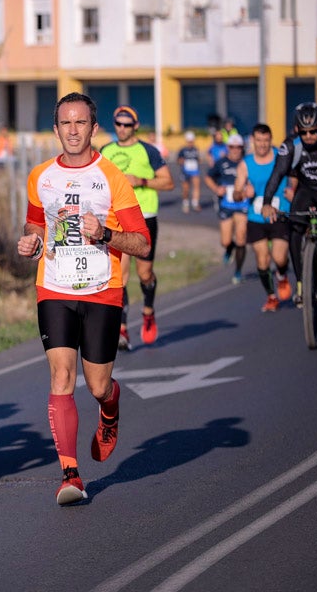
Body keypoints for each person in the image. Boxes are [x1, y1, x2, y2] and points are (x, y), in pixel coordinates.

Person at [16, 93, 149, 506]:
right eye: (65, 124)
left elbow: (142, 244)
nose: (73, 131)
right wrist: (32, 241)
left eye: (81, 123)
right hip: (53, 287)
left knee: (96, 385)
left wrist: (105, 234)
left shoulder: (112, 177)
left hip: (102, 291)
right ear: (55, 130)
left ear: (94, 129)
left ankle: (110, 409)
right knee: (60, 377)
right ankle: (70, 474)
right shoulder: (40, 175)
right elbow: (35, 222)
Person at [100, 105, 174, 349]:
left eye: (127, 124)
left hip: (145, 216)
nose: (122, 128)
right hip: (116, 219)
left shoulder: (148, 151)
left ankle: (149, 311)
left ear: (135, 126)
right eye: (118, 124)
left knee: (145, 274)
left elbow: (168, 182)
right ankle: (122, 329)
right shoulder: (106, 151)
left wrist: (140, 181)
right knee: (120, 276)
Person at [263, 102, 317, 306]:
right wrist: (267, 202)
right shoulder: (291, 145)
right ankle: (302, 282)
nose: (309, 136)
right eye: (304, 132)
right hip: (306, 192)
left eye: (314, 131)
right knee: (295, 229)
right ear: (296, 130)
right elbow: (277, 174)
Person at [234, 123, 292, 312]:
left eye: (266, 140)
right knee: (262, 259)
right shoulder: (246, 163)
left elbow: (295, 177)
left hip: (280, 213)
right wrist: (243, 193)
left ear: (270, 140)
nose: (262, 145)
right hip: (256, 217)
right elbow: (235, 193)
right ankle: (271, 296)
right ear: (253, 140)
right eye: (258, 140)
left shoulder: (281, 157)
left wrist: (294, 191)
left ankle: (282, 275)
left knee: (279, 257)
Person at [205, 134, 250, 283]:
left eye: (238, 147)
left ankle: (237, 271)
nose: (235, 150)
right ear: (228, 147)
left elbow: (254, 179)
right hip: (226, 204)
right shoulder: (221, 162)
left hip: (243, 204)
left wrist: (251, 188)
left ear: (242, 148)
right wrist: (216, 188)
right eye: (232, 147)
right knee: (225, 241)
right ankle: (229, 248)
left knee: (241, 237)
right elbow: (208, 177)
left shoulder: (247, 162)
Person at [176, 131, 203, 213]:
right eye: (189, 141)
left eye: (192, 141)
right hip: (185, 171)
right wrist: (182, 161)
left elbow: (198, 159)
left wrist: (197, 161)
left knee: (196, 186)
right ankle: (186, 203)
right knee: (185, 189)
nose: (191, 143)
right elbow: (178, 160)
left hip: (194, 171)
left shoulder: (195, 149)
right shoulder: (182, 150)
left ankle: (195, 203)